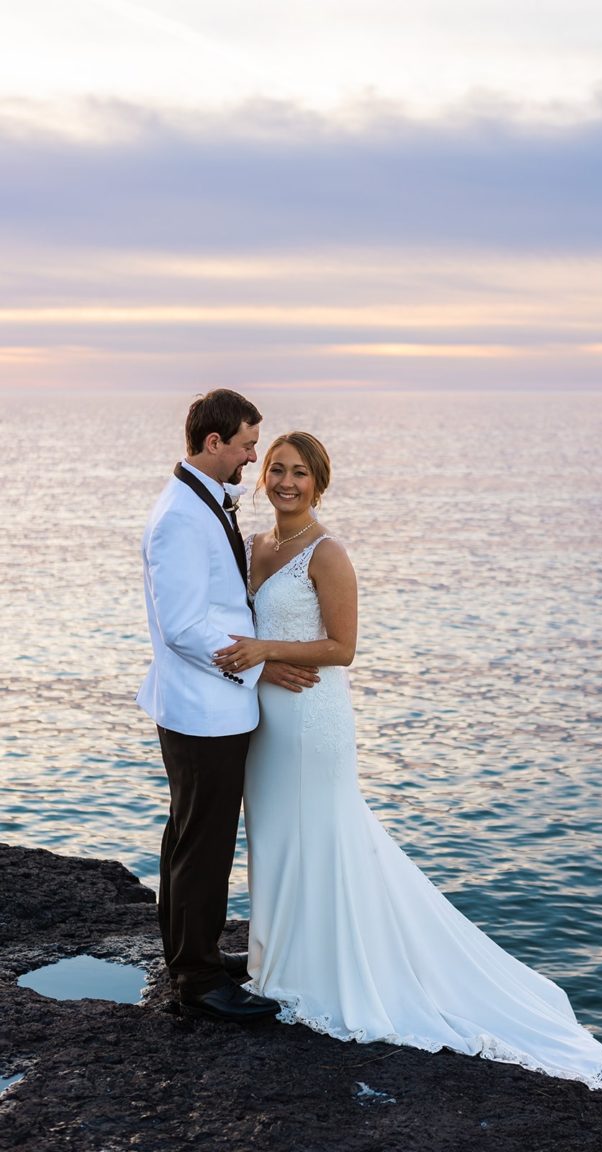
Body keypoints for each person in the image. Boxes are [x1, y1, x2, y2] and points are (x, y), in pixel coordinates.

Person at [213, 432, 602, 1097]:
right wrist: (265, 661)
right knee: (277, 838)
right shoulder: (258, 546)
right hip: (269, 721)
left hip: (313, 724)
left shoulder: (327, 552)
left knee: (326, 836)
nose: (285, 481)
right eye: (276, 470)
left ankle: (327, 973)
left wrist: (262, 648)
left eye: (299, 473)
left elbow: (343, 647)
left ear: (320, 482)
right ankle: (277, 960)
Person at [137, 390, 318, 1023]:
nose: (251, 457)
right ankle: (198, 982)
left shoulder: (202, 501)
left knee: (190, 837)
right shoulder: (179, 519)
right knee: (204, 844)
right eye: (245, 445)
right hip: (202, 710)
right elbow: (185, 626)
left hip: (208, 707)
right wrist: (264, 662)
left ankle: (192, 955)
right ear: (213, 443)